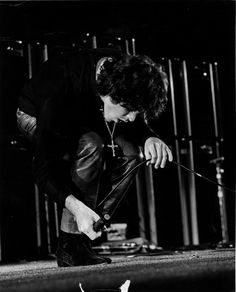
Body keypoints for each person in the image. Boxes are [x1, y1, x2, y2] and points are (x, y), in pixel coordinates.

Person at [16, 47, 173, 267]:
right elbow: (43, 170)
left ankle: (91, 225)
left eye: (138, 112)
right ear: (109, 95)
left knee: (132, 153)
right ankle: (71, 245)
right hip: (35, 115)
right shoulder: (60, 88)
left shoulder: (122, 71)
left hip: (86, 115)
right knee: (91, 145)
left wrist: (148, 137)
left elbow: (133, 113)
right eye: (128, 110)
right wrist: (76, 206)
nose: (132, 118)